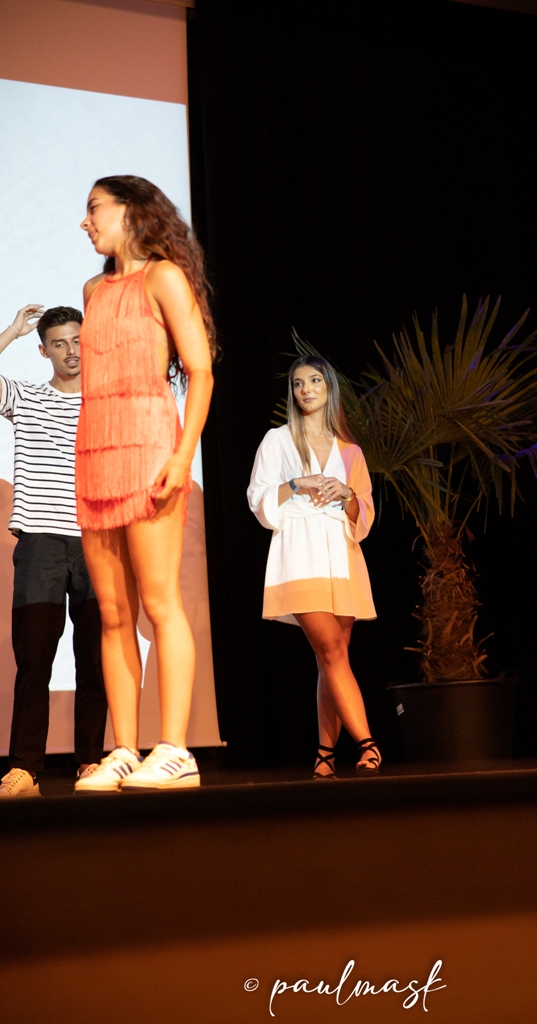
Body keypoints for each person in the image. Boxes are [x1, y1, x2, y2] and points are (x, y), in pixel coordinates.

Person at [74, 175, 215, 793]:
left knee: (160, 604)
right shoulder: (92, 290)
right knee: (111, 614)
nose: (85, 222)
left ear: (130, 211)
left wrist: (183, 456)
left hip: (151, 445)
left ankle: (176, 749)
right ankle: (125, 750)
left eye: (94, 209)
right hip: (95, 450)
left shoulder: (164, 277)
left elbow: (201, 371)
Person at [247, 356, 380, 778]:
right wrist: (294, 484)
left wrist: (347, 493)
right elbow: (257, 498)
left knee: (331, 658)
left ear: (329, 388)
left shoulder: (351, 451)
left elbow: (364, 516)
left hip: (342, 556)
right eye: (298, 383)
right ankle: (368, 744)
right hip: (298, 554)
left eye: (315, 381)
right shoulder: (277, 440)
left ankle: (325, 754)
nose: (306, 389)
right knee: (331, 649)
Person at [0, 304, 107, 798]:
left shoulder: (107, 402)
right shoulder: (26, 397)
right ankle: (25, 769)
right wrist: (10, 332)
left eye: (78, 340)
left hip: (97, 540)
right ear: (44, 351)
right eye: (59, 344)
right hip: (40, 543)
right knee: (34, 661)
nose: (71, 352)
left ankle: (91, 761)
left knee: (95, 660)